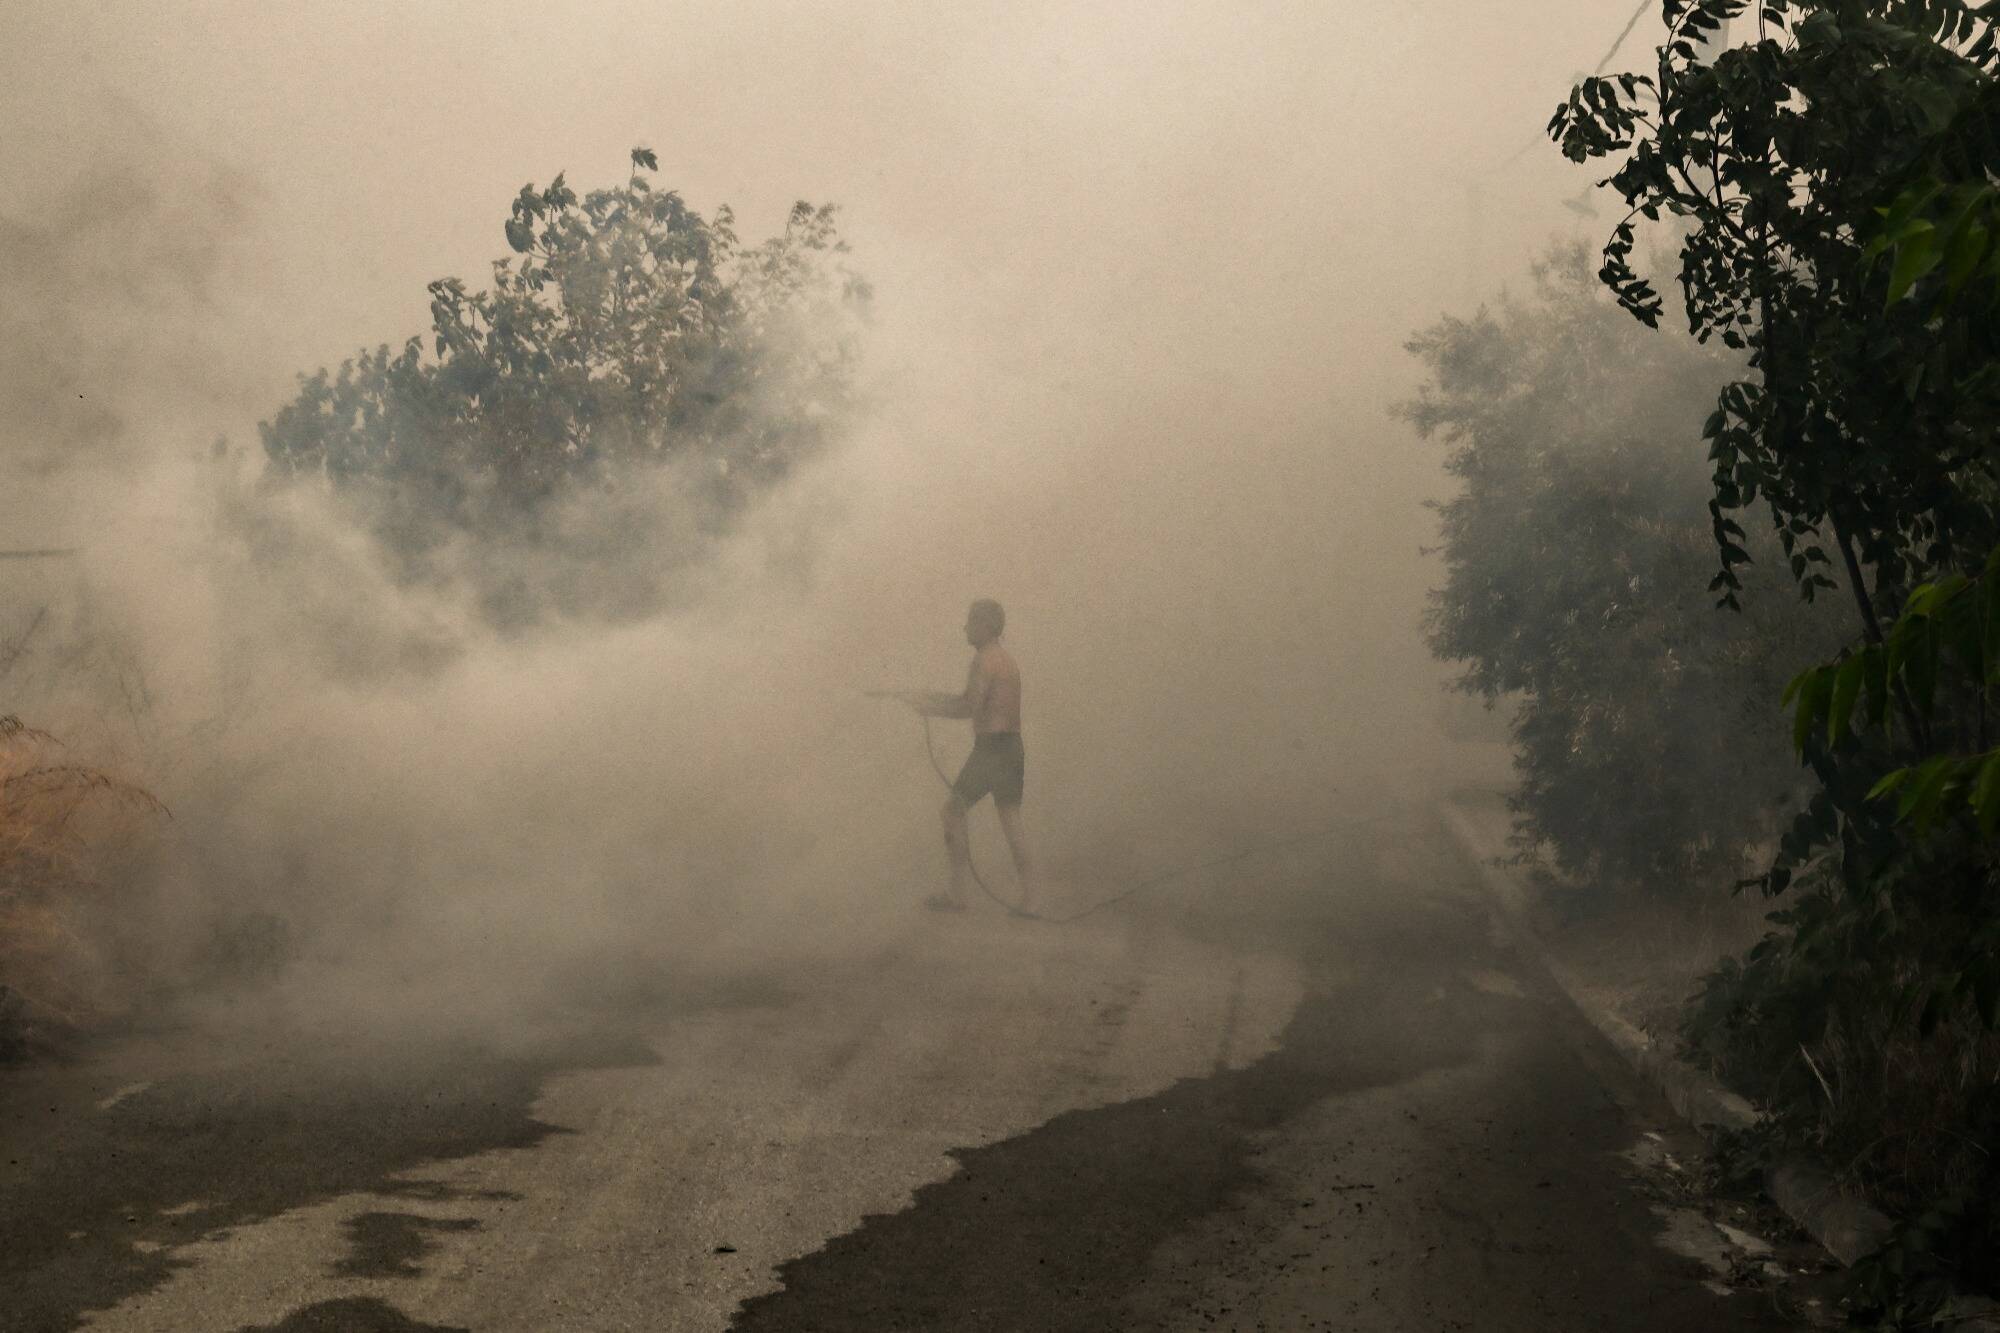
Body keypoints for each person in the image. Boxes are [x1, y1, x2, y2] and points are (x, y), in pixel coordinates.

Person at [902, 599, 1036, 914]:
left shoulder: (983, 660)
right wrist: (930, 698)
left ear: (985, 626)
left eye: (970, 622)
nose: (965, 628)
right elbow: (972, 700)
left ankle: (958, 895)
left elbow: (968, 706)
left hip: (991, 750)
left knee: (952, 813)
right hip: (1012, 747)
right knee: (1011, 821)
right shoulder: (1006, 660)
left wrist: (928, 707)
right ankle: (1031, 899)